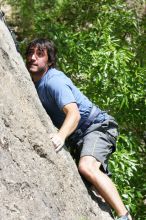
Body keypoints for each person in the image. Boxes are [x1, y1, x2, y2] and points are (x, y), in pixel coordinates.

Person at [26, 38, 132, 220]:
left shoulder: (54, 82)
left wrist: (60, 136)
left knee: (86, 167)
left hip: (97, 126)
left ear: (50, 61)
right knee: (88, 182)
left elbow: (73, 114)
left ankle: (125, 217)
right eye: (30, 53)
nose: (33, 58)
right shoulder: (32, 83)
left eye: (40, 54)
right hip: (80, 136)